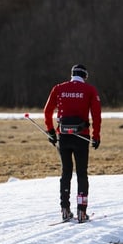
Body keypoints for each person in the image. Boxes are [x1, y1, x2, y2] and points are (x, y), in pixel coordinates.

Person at [44, 64, 101, 223]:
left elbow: (47, 112)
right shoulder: (90, 90)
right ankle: (82, 212)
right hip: (81, 137)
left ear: (72, 75)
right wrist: (96, 136)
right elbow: (96, 115)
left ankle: (65, 210)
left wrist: (50, 132)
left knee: (66, 173)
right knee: (82, 173)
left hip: (63, 136)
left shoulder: (58, 88)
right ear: (85, 76)